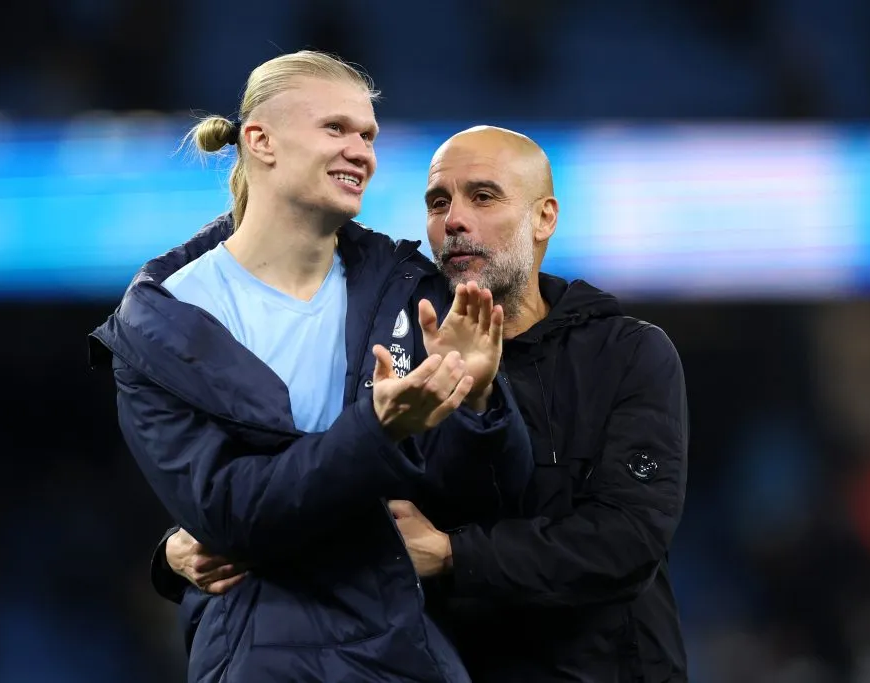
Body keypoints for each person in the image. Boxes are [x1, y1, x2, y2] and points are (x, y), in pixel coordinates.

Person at [158, 125, 690, 682]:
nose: (454, 221)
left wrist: (453, 554)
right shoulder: (387, 345)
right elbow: (303, 468)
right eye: (439, 202)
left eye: (483, 197)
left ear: (544, 218)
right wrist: (178, 547)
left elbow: (627, 541)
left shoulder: (627, 353)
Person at [87, 53, 533, 683]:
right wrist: (378, 432)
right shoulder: (162, 325)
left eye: (368, 135)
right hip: (262, 654)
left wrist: (480, 401)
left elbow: (490, 500)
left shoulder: (408, 293)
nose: (361, 151)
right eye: (336, 129)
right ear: (259, 140)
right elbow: (234, 515)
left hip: (407, 651)